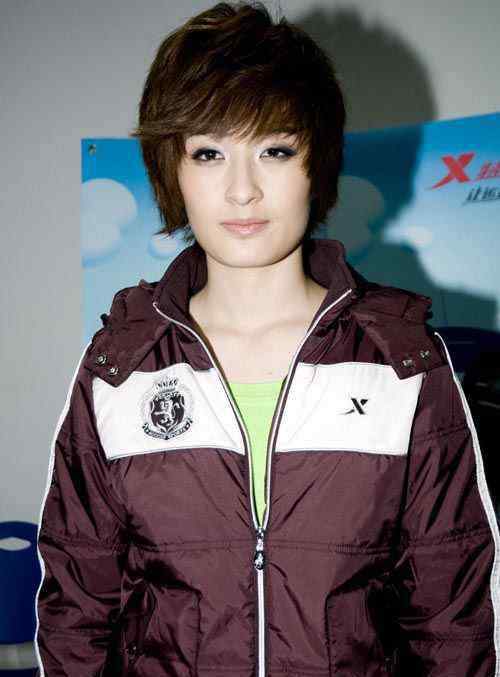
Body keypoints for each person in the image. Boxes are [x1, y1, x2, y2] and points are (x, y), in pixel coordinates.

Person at [34, 2, 499, 675]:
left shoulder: (404, 364)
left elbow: (453, 622)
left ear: (317, 164)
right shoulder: (118, 370)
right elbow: (77, 613)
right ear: (173, 170)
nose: (242, 189)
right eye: (209, 153)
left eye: (275, 150)